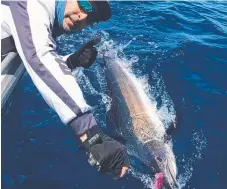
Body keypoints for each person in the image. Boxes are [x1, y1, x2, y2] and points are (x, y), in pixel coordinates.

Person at [1, 0, 129, 179]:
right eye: (84, 5)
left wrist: (72, 61)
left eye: (90, 19)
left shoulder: (46, 14)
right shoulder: (30, 5)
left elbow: (38, 48)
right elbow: (39, 58)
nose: (83, 17)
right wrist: (92, 135)